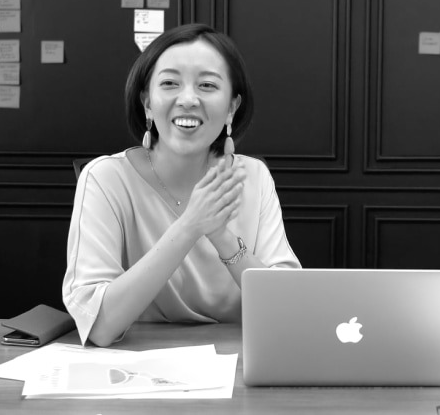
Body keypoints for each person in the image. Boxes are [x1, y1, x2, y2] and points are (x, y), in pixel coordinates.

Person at [62, 24, 301, 347]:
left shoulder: (253, 177)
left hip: (234, 361)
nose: (188, 99)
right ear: (147, 102)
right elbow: (100, 327)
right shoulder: (105, 179)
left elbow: (289, 310)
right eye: (170, 83)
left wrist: (221, 236)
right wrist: (190, 225)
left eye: (207, 85)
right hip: (135, 363)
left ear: (232, 108)